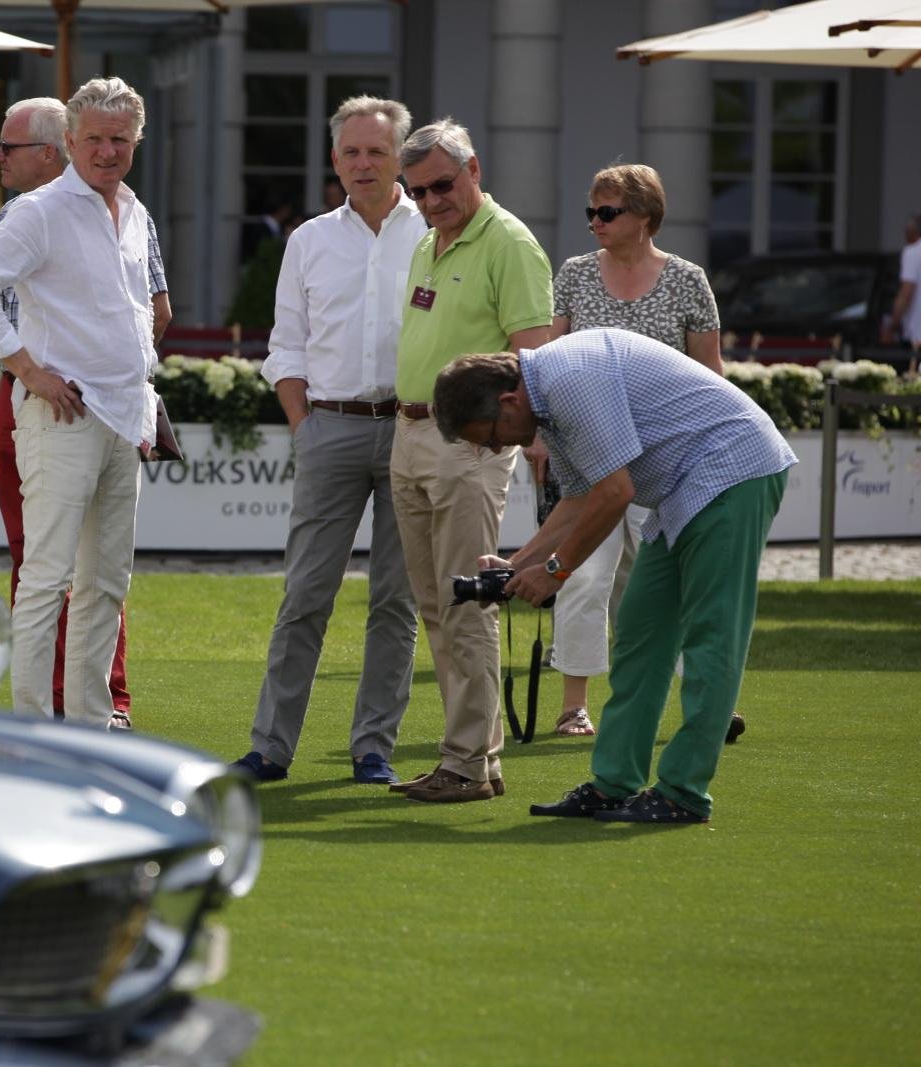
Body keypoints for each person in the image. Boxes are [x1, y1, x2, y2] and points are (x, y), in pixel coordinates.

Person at [431, 328, 797, 823]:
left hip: (732, 471)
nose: (496, 448)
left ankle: (683, 793)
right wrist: (518, 565)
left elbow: (615, 492)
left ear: (508, 401)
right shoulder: (547, 399)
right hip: (681, 489)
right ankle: (614, 786)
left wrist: (556, 571)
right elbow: (579, 497)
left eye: (491, 436)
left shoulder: (567, 379)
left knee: (712, 639)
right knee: (641, 637)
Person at [0, 77, 160, 727]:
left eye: (119, 139)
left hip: (121, 417)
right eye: (93, 138)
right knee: (46, 579)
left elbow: (141, 314)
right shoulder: (39, 210)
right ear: (68, 141)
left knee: (106, 584)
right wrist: (26, 369)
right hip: (61, 415)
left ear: (137, 141)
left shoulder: (135, 211)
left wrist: (142, 401)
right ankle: (33, 731)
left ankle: (90, 729)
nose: (106, 151)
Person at [229, 97, 425, 785]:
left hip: (413, 429)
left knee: (396, 602)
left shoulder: (435, 232)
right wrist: (303, 425)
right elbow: (286, 346)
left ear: (400, 157)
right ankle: (270, 748)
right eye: (351, 152)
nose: (363, 164)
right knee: (305, 596)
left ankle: (374, 748)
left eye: (377, 151)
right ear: (334, 160)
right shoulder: (308, 240)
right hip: (329, 427)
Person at [384, 119, 553, 804]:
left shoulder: (509, 242)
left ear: (474, 169)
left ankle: (467, 764)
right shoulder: (430, 241)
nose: (431, 201)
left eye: (442, 185)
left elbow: (535, 359)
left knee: (465, 605)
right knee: (436, 604)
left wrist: (527, 443)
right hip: (411, 432)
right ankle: (475, 758)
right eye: (418, 191)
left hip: (470, 441)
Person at [547, 163, 727, 740]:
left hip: (667, 458)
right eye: (591, 212)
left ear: (646, 216)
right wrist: (539, 439)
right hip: (589, 455)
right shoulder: (574, 275)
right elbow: (552, 360)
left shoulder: (688, 280)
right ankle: (574, 707)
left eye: (607, 212)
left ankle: (695, 706)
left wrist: (710, 452)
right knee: (584, 574)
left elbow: (709, 373)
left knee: (665, 584)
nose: (595, 222)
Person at [880, 213, 921, 347]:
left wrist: (891, 327)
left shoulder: (913, 252)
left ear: (913, 231)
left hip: (917, 335)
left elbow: (906, 294)